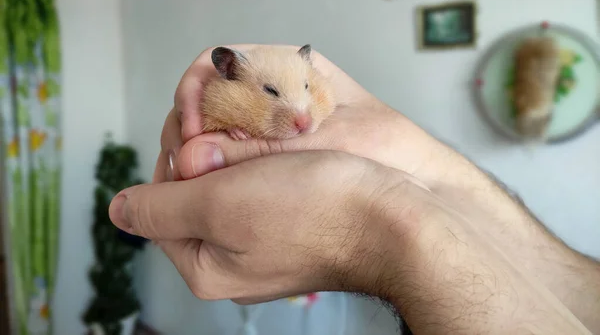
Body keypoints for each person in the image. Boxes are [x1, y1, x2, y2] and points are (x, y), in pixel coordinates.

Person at [109, 44, 599, 334]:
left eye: (307, 88)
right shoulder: (219, 97)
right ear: (227, 71)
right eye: (273, 94)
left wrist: (380, 229)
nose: (301, 115)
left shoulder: (319, 109)